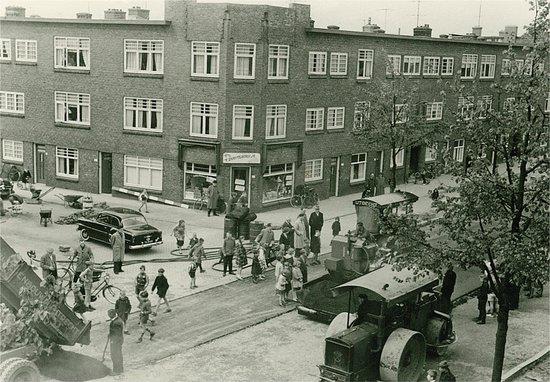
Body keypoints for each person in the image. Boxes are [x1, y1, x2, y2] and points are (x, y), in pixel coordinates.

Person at [107, 309, 124, 375]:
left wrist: (112, 341)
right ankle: (120, 369)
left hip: (115, 341)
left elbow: (117, 334)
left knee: (115, 355)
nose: (108, 315)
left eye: (109, 314)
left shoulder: (116, 323)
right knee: (118, 355)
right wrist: (110, 334)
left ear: (112, 314)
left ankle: (117, 371)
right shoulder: (117, 320)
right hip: (118, 341)